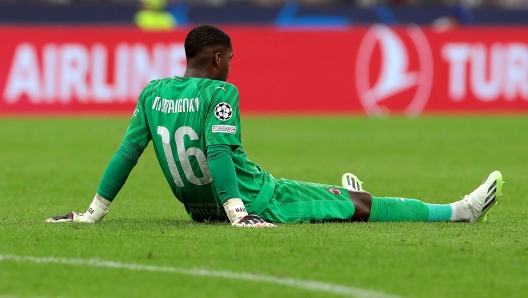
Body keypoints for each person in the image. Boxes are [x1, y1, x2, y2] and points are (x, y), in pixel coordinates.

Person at [45, 25, 504, 227]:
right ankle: (459, 211)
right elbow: (220, 154)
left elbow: (128, 153)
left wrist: (92, 213)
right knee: (361, 205)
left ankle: (334, 195)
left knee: (329, 198)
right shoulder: (222, 93)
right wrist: (240, 214)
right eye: (230, 60)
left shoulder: (151, 93)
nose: (230, 68)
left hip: (198, 210)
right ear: (218, 58)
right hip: (258, 199)